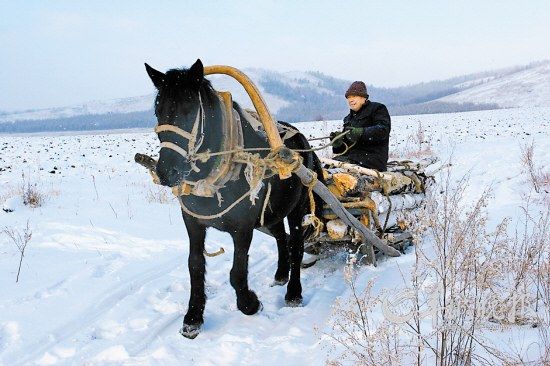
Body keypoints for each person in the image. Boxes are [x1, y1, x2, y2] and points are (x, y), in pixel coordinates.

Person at [331, 81, 391, 172]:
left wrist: (361, 132)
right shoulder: (348, 119)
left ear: (364, 97)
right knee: (328, 167)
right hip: (352, 158)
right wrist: (338, 143)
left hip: (372, 159)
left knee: (339, 169)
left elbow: (383, 130)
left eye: (354, 96)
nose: (350, 100)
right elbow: (344, 149)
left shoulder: (377, 109)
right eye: (348, 97)